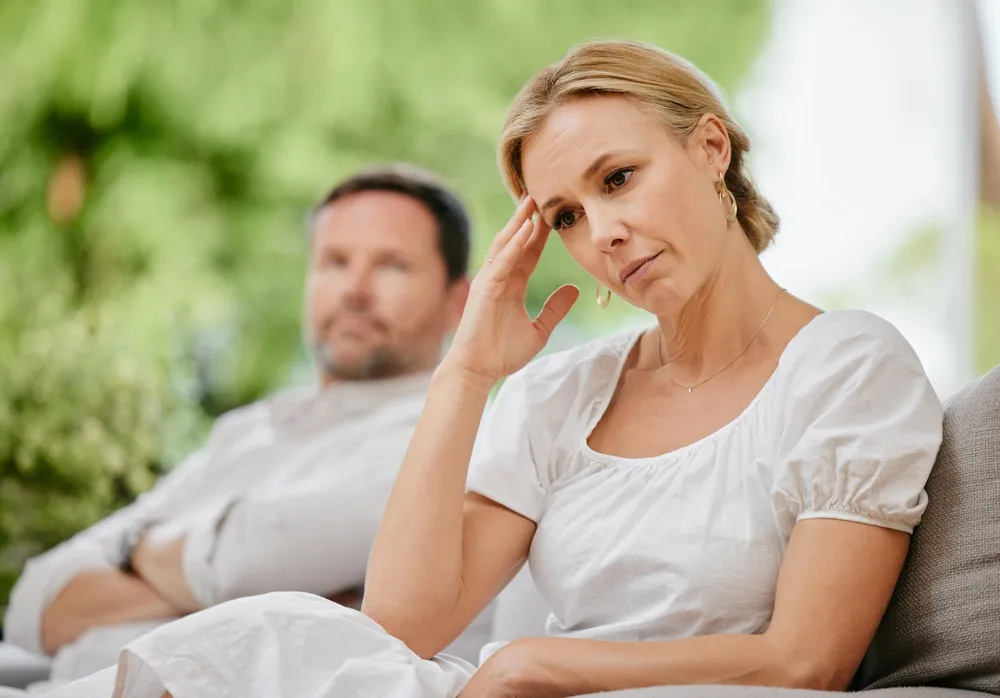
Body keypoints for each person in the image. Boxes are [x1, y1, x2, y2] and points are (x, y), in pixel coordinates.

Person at [45, 39, 944, 698]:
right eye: (565, 217)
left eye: (618, 178)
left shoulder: (846, 367)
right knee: (265, 636)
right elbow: (403, 625)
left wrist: (544, 664)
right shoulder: (564, 393)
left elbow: (806, 662)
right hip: (500, 691)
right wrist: (468, 369)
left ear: (712, 148)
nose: (603, 232)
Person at [1, 163, 471, 687]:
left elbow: (242, 564)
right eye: (335, 262)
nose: (354, 291)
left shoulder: (445, 442)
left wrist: (131, 553)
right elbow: (31, 605)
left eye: (392, 266)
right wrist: (257, 605)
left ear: (459, 301)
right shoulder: (247, 430)